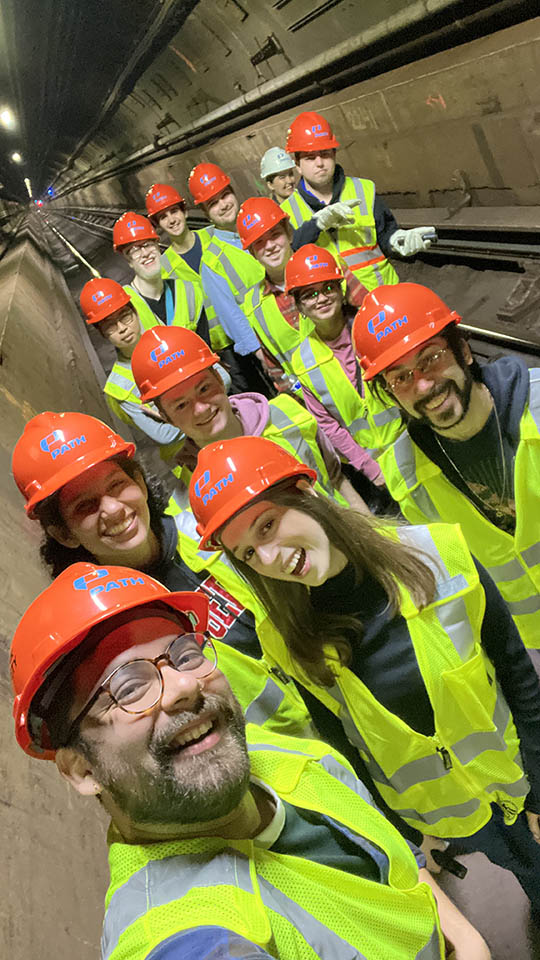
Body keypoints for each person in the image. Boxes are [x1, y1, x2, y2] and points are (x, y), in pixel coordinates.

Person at [11, 563, 491, 960]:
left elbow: (396, 860)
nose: (183, 686)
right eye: (129, 687)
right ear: (83, 770)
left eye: (184, 654)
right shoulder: (177, 929)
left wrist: (463, 939)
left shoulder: (284, 754)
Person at [189, 434, 540, 913]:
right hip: (454, 819)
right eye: (248, 554)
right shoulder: (290, 640)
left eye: (267, 526)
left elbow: (518, 674)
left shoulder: (438, 553)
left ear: (307, 493)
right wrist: (409, 840)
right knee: (526, 873)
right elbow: (346, 749)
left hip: (520, 776)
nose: (268, 559)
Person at [10, 411, 313, 739]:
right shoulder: (106, 632)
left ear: (139, 482)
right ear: (64, 534)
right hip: (278, 761)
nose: (112, 510)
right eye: (86, 506)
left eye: (118, 485)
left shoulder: (210, 536)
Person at [352, 282, 540, 650]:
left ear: (464, 351)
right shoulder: (408, 478)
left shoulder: (538, 405)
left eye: (431, 358)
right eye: (401, 377)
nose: (423, 385)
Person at [130, 325, 367, 518]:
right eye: (181, 405)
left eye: (204, 388)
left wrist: (372, 538)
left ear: (220, 378)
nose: (201, 409)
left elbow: (336, 478)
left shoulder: (287, 413)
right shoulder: (196, 492)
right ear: (165, 417)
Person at [280, 110, 436, 293]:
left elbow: (385, 233)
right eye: (310, 158)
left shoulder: (364, 189)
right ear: (297, 165)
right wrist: (316, 225)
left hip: (384, 294)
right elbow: (287, 261)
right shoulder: (286, 212)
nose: (320, 163)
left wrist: (398, 241)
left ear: (334, 154)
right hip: (336, 310)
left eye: (325, 154)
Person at [284, 242, 393, 487]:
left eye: (328, 288)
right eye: (309, 294)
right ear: (299, 306)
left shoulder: (373, 326)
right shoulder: (303, 361)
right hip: (376, 462)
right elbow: (329, 426)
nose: (321, 298)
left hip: (414, 439)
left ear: (340, 291)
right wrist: (370, 468)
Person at [187, 162, 276, 394]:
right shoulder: (212, 261)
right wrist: (262, 355)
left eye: (224, 195)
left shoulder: (260, 225)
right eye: (213, 203)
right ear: (205, 212)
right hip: (269, 344)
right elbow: (231, 317)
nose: (223, 205)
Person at [144, 182, 247, 383]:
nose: (171, 220)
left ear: (185, 211)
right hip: (217, 348)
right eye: (163, 217)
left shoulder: (216, 236)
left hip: (247, 326)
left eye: (174, 211)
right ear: (158, 225)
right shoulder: (164, 268)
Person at [79, 276, 182, 449]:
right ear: (102, 333)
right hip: (189, 459)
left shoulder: (170, 338)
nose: (122, 328)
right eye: (110, 325)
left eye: (125, 317)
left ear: (135, 312)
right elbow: (163, 435)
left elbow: (222, 377)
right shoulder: (119, 387)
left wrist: (176, 417)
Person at [112, 211, 208, 338]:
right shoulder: (123, 305)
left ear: (157, 246)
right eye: (134, 250)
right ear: (128, 259)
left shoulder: (189, 291)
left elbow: (206, 350)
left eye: (148, 244)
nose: (145, 253)